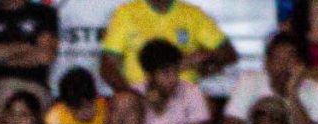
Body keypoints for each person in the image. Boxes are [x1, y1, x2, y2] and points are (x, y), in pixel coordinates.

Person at [100, 0, 235, 87]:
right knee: (124, 105)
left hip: (184, 95)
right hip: (142, 93)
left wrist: (205, 56)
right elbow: (108, 66)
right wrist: (130, 94)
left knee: (204, 107)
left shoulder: (192, 14)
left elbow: (229, 53)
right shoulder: (126, 13)